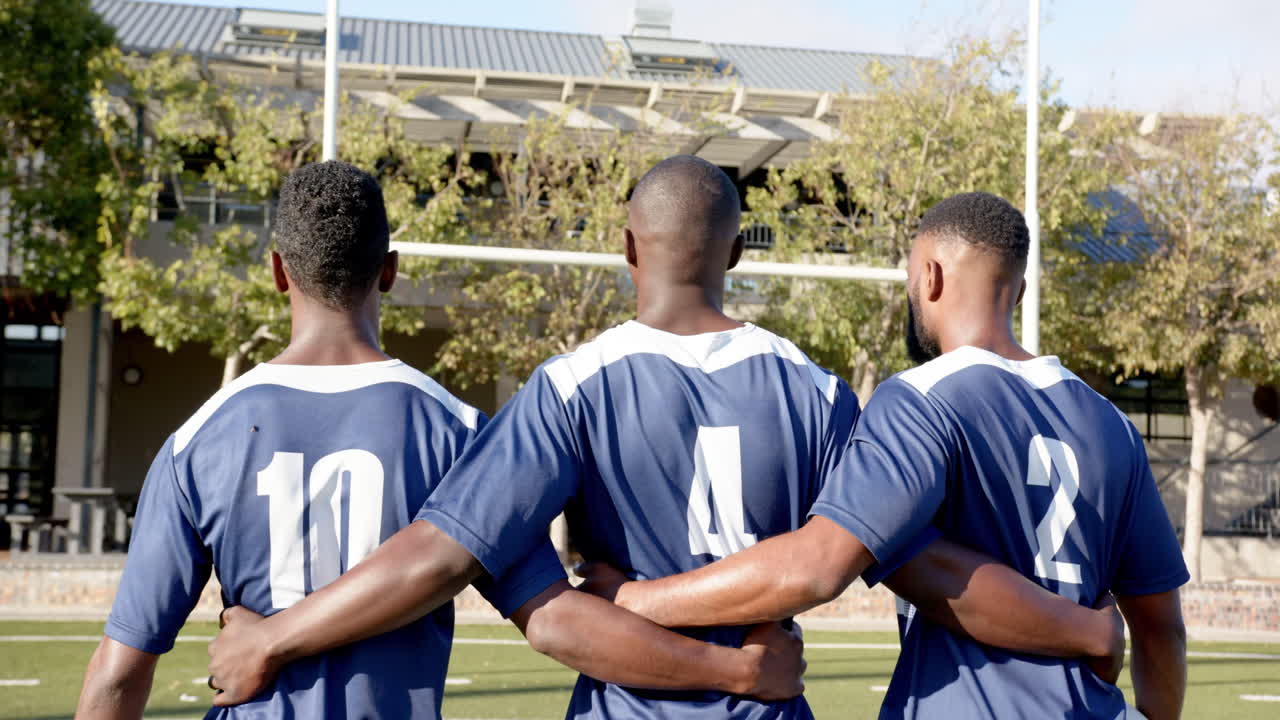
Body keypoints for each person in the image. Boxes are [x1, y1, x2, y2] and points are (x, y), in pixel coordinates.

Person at [207, 159, 1125, 718]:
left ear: (627, 248)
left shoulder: (569, 388)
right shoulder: (814, 391)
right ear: (734, 255)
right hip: (767, 710)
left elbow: (449, 563)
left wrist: (273, 638)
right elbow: (919, 564)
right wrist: (1083, 627)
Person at [74, 161, 807, 720]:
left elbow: (117, 670)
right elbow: (553, 619)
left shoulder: (201, 437)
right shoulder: (458, 431)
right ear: (389, 272)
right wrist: (733, 671)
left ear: (276, 272)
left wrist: (264, 640)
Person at [577, 191, 1189, 720]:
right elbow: (1161, 628)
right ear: (1020, 289)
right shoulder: (1111, 423)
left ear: (931, 277)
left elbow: (819, 564)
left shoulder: (922, 398)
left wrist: (633, 600)